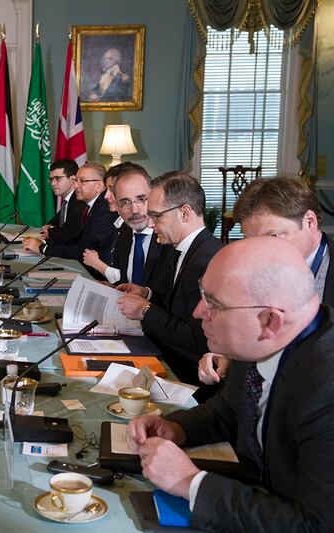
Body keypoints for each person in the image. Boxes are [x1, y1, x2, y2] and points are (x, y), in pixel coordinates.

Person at [128, 237, 334, 531]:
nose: (198, 312)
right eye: (203, 295)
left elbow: (314, 525)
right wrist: (177, 428)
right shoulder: (262, 342)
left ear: (270, 322)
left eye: (214, 303)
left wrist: (190, 482)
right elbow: (230, 409)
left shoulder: (326, 388)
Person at [198, 177, 334, 385]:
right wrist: (230, 355)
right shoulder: (250, 267)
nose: (262, 251)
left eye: (274, 236)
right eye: (252, 241)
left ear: (310, 222)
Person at [117, 172, 221, 394]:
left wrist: (145, 310)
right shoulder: (183, 248)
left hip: (187, 378)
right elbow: (180, 307)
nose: (151, 223)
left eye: (156, 216)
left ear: (184, 212)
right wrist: (147, 295)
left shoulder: (206, 261)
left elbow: (199, 338)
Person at [22, 161, 118, 278]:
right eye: (76, 181)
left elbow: (83, 251)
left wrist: (43, 248)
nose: (76, 186)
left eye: (82, 181)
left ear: (98, 185)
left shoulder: (104, 209)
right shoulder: (92, 206)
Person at [83, 164, 171, 288]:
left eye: (141, 199)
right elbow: (127, 282)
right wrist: (114, 288)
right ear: (117, 206)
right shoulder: (124, 231)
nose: (134, 210)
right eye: (125, 202)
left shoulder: (169, 238)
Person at [37, 158, 86, 243]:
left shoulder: (79, 201)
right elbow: (58, 218)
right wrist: (49, 225)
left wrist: (49, 232)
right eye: (51, 179)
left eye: (58, 178)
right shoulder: (68, 199)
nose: (52, 183)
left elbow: (69, 235)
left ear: (73, 180)